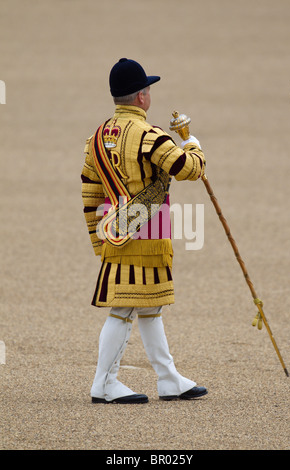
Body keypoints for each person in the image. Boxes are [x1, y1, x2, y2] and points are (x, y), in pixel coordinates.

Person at [81, 58, 208, 404]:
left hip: (115, 231)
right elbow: (189, 169)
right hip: (148, 232)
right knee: (123, 310)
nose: (149, 94)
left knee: (150, 307)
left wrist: (99, 239)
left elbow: (90, 191)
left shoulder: (96, 138)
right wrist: (193, 142)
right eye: (147, 89)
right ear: (140, 97)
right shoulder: (150, 135)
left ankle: (169, 380)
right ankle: (104, 384)